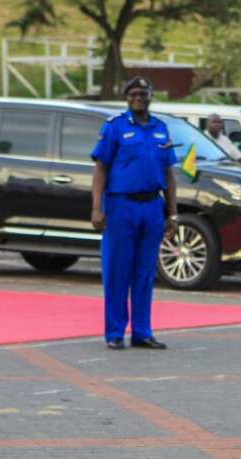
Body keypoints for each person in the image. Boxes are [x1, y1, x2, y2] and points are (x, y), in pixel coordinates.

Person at [90, 76, 177, 351]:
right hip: (121, 206)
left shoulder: (161, 129)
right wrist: (96, 208)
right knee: (118, 271)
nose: (138, 98)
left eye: (142, 93)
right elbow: (100, 169)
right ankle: (115, 332)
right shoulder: (115, 127)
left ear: (151, 96)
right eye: (133, 94)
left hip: (152, 206)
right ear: (126, 98)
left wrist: (172, 214)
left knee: (145, 272)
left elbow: (169, 175)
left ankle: (142, 331)